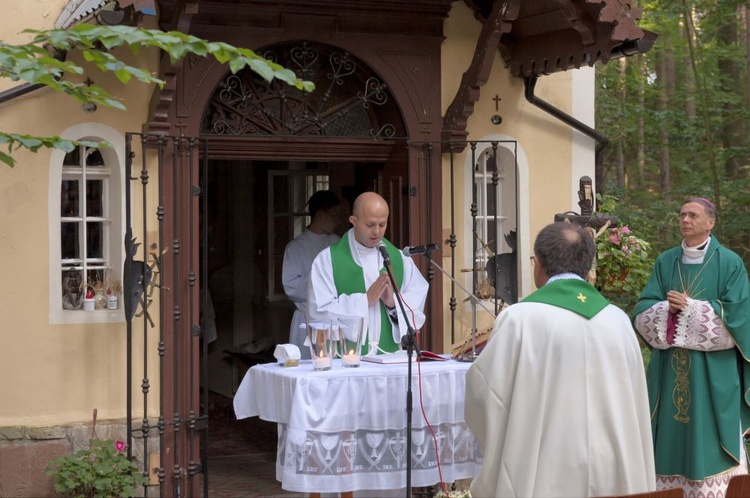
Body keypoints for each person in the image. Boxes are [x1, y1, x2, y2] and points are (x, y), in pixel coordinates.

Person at [465, 222, 655, 497]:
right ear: (588, 268)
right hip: (614, 472)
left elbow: (485, 395)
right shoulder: (618, 320)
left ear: (538, 264)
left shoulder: (520, 319)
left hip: (543, 473)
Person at [633, 197, 750, 496]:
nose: (685, 220)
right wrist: (665, 311)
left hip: (714, 374)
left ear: (710, 223)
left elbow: (739, 316)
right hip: (669, 370)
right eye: (682, 214)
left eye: (693, 215)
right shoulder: (666, 260)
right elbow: (644, 307)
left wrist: (691, 309)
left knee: (710, 434)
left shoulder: (729, 262)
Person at [307, 191, 429, 354]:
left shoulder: (399, 258)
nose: (377, 232)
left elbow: (416, 305)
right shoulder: (327, 260)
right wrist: (364, 301)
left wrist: (393, 303)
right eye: (370, 225)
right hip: (345, 360)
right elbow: (318, 312)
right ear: (354, 221)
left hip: (389, 358)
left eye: (382, 224)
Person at [282, 190, 341, 358]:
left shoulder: (337, 243)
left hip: (333, 317)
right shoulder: (296, 247)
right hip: (305, 319)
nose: (338, 220)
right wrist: (321, 277)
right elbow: (291, 288)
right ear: (321, 213)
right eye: (335, 214)